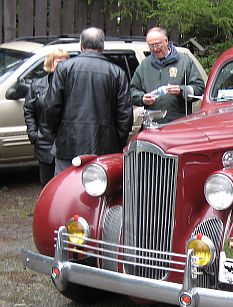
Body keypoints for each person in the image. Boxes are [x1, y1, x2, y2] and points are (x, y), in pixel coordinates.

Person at [45, 27, 133, 175]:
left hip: (68, 143)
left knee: (66, 191)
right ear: (102, 45)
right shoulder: (117, 72)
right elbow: (125, 116)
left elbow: (52, 107)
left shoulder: (64, 69)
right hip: (104, 146)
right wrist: (116, 141)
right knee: (101, 193)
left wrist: (58, 133)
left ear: (81, 45)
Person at [130, 27, 205, 121]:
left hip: (178, 122)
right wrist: (142, 98)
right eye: (151, 46)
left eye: (158, 44)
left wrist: (181, 90)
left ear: (166, 41)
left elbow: (200, 88)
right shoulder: (144, 65)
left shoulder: (185, 62)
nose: (155, 49)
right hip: (152, 124)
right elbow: (132, 91)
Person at [24, 48, 70, 187]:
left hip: (66, 143)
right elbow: (29, 109)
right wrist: (33, 134)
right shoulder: (37, 85)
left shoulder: (72, 84)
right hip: (44, 142)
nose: (61, 65)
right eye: (58, 61)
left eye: (64, 61)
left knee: (65, 186)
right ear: (51, 63)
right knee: (47, 186)